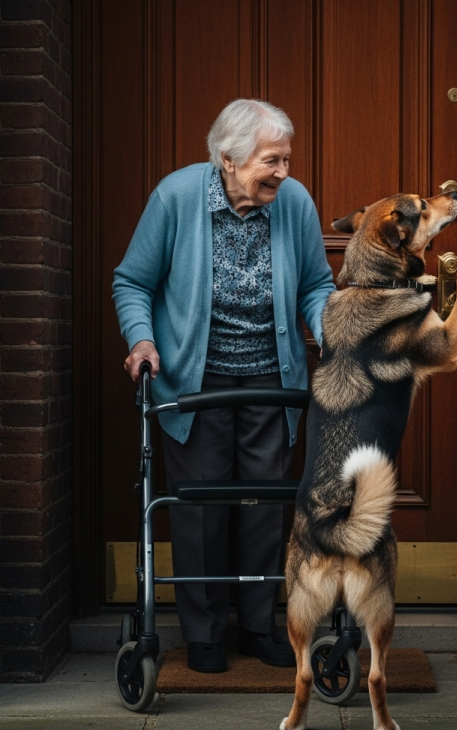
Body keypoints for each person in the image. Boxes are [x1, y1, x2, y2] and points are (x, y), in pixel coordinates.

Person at [112, 99, 335, 674]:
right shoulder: (177, 198)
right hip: (193, 378)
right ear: (228, 160)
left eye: (286, 160)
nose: (283, 173)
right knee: (200, 507)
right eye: (271, 161)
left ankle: (260, 625)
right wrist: (141, 341)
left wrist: (332, 326)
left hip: (272, 374)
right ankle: (205, 633)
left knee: (265, 502)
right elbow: (132, 282)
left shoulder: (295, 202)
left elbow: (315, 284)